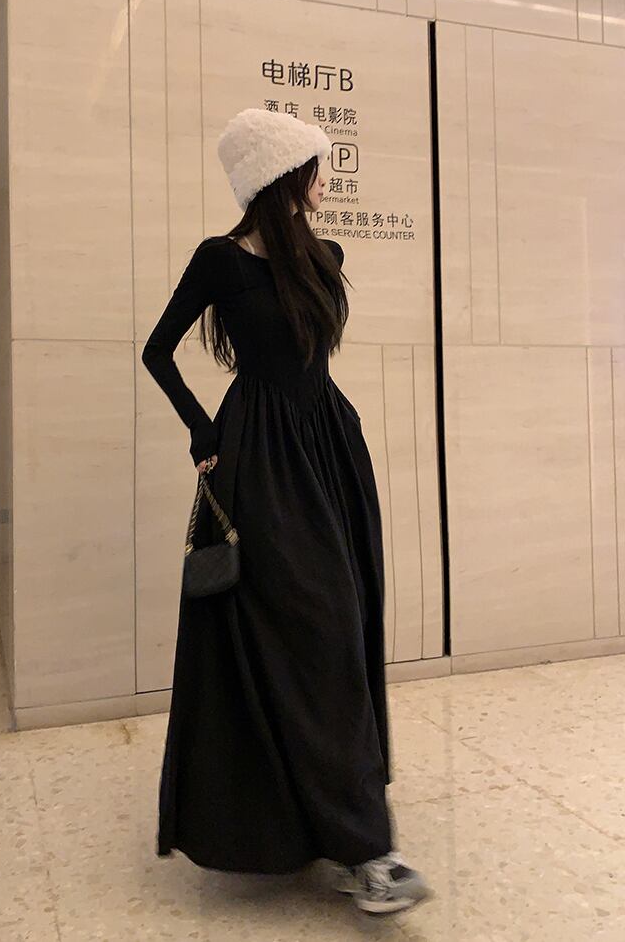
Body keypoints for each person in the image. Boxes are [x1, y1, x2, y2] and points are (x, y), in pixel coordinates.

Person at [142, 108, 431, 916]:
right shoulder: (220, 260)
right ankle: (366, 850)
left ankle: (343, 831)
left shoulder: (325, 255)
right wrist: (202, 432)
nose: (324, 179)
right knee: (309, 628)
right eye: (313, 166)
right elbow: (157, 351)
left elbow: (313, 357)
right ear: (280, 175)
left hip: (330, 449)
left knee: (343, 625)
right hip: (258, 459)